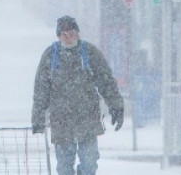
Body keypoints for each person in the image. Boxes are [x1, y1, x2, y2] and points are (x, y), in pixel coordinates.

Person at [31, 16, 124, 175]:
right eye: (64, 35)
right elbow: (41, 90)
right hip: (61, 122)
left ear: (78, 33)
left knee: (89, 164)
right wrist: (38, 118)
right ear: (59, 36)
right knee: (64, 168)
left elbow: (106, 81)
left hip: (87, 119)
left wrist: (116, 106)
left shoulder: (90, 53)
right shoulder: (50, 56)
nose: (69, 38)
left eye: (72, 33)